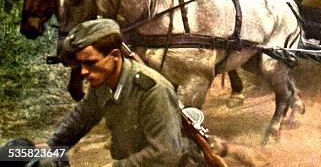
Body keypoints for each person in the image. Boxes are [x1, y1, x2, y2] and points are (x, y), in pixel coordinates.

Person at [41, 19, 206, 166]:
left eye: (90, 63)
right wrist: (53, 144)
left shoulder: (152, 90)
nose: (83, 71)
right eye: (81, 64)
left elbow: (166, 154)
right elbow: (82, 117)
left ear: (115, 56)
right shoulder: (103, 83)